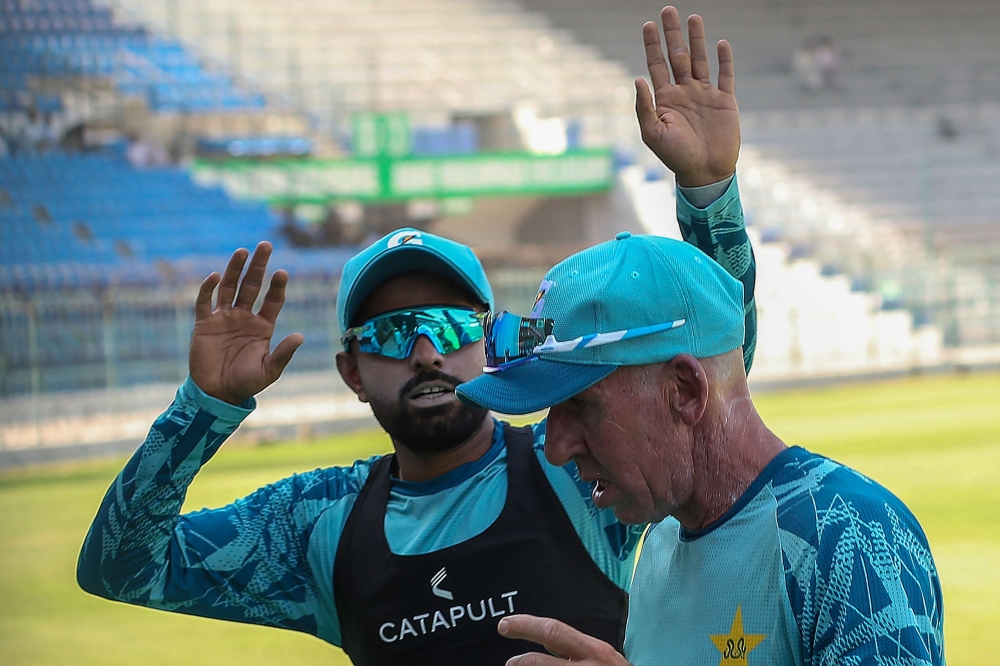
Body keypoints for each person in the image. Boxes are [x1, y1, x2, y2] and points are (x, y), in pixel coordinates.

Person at [76, 7, 757, 664]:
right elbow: (122, 567)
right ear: (351, 372)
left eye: (448, 326)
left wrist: (707, 192)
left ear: (485, 342)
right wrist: (203, 409)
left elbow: (713, 373)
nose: (426, 353)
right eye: (392, 334)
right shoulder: (317, 523)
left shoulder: (576, 470)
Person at [455, 9, 945, 665]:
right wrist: (708, 188)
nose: (558, 445)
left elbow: (718, 339)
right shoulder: (661, 541)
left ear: (685, 390)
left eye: (580, 406)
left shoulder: (847, 534)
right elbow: (718, 337)